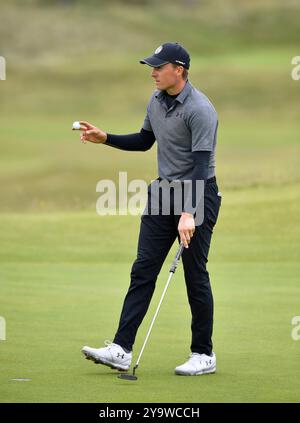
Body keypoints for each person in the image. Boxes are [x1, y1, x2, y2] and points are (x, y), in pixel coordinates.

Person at [78, 42, 222, 376]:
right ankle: (120, 349)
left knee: (195, 274)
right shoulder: (156, 101)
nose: (153, 73)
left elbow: (201, 168)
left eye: (159, 67)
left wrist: (190, 212)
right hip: (163, 195)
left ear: (179, 70)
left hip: (198, 195)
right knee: (143, 269)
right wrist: (106, 137)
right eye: (152, 67)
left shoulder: (200, 109)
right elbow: (145, 141)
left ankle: (204, 354)